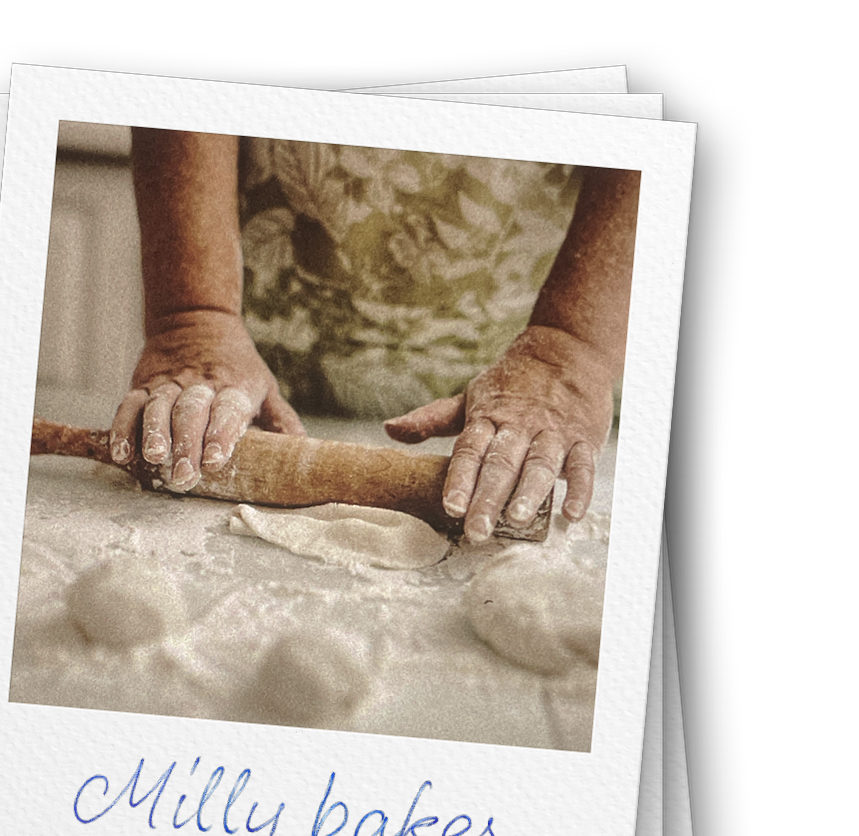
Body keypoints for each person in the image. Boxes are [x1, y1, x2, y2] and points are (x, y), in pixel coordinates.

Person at [109, 129, 639, 543]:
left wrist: (568, 348)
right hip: (258, 360)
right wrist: (195, 314)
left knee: (515, 467)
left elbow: (654, 118)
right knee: (207, 426)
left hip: (526, 374)